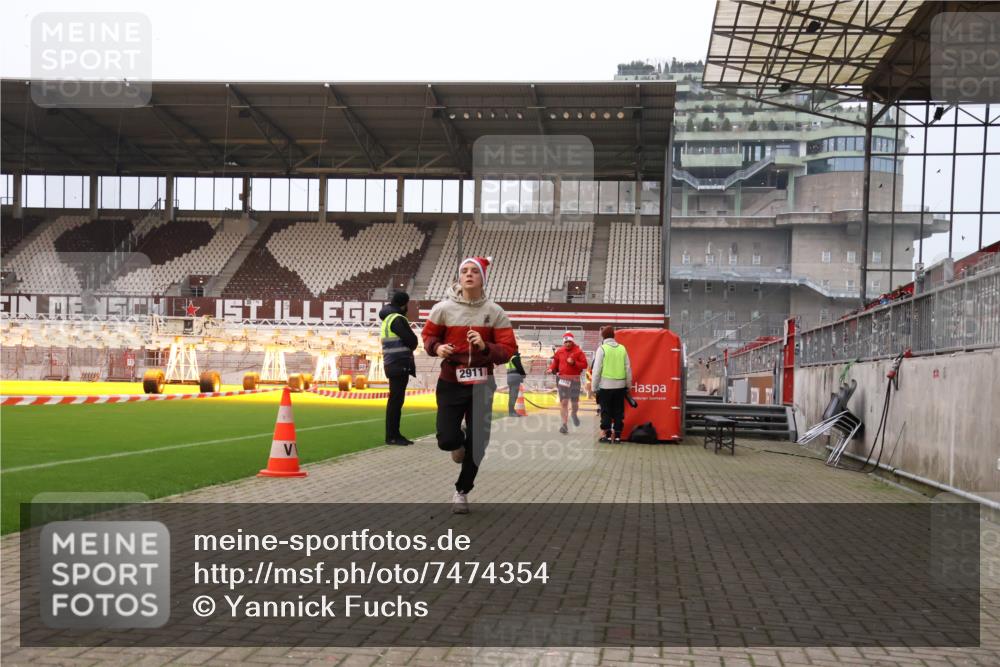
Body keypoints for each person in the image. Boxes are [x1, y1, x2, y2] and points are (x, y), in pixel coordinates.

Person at [422, 256, 516, 514]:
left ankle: (462, 491)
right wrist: (437, 347)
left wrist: (486, 347)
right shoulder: (442, 308)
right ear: (459, 277)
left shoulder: (495, 312)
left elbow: (509, 350)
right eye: (464, 271)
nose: (469, 274)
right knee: (446, 440)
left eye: (474, 271)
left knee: (479, 444)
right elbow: (428, 336)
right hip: (451, 381)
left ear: (482, 278)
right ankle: (457, 442)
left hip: (482, 385)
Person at [379, 291, 419, 445]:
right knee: (396, 401)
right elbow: (412, 341)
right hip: (398, 363)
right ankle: (393, 436)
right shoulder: (397, 319)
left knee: (395, 401)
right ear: (404, 304)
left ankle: (393, 435)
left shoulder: (388, 318)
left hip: (392, 363)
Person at [591, 325, 632, 443]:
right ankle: (618, 436)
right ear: (614, 335)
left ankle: (607, 436)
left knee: (606, 411)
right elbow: (628, 368)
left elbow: (597, 370)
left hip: (605, 386)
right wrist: (628, 385)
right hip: (620, 386)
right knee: (619, 411)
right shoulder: (622, 348)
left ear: (603, 336)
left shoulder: (602, 349)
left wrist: (594, 387)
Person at [547, 331, 588, 434]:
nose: (567, 344)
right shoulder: (559, 351)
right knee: (564, 402)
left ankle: (574, 414)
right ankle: (564, 424)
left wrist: (574, 363)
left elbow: (585, 365)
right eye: (565, 342)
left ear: (572, 341)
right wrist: (550, 369)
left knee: (574, 403)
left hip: (575, 379)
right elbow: (555, 363)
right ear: (563, 343)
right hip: (563, 379)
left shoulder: (578, 351)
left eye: (569, 342)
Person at [505, 351, 527, 416]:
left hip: (509, 378)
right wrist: (523, 375)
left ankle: (511, 411)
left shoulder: (508, 357)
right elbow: (519, 367)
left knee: (512, 395)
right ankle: (511, 412)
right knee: (513, 396)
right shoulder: (515, 357)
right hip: (515, 378)